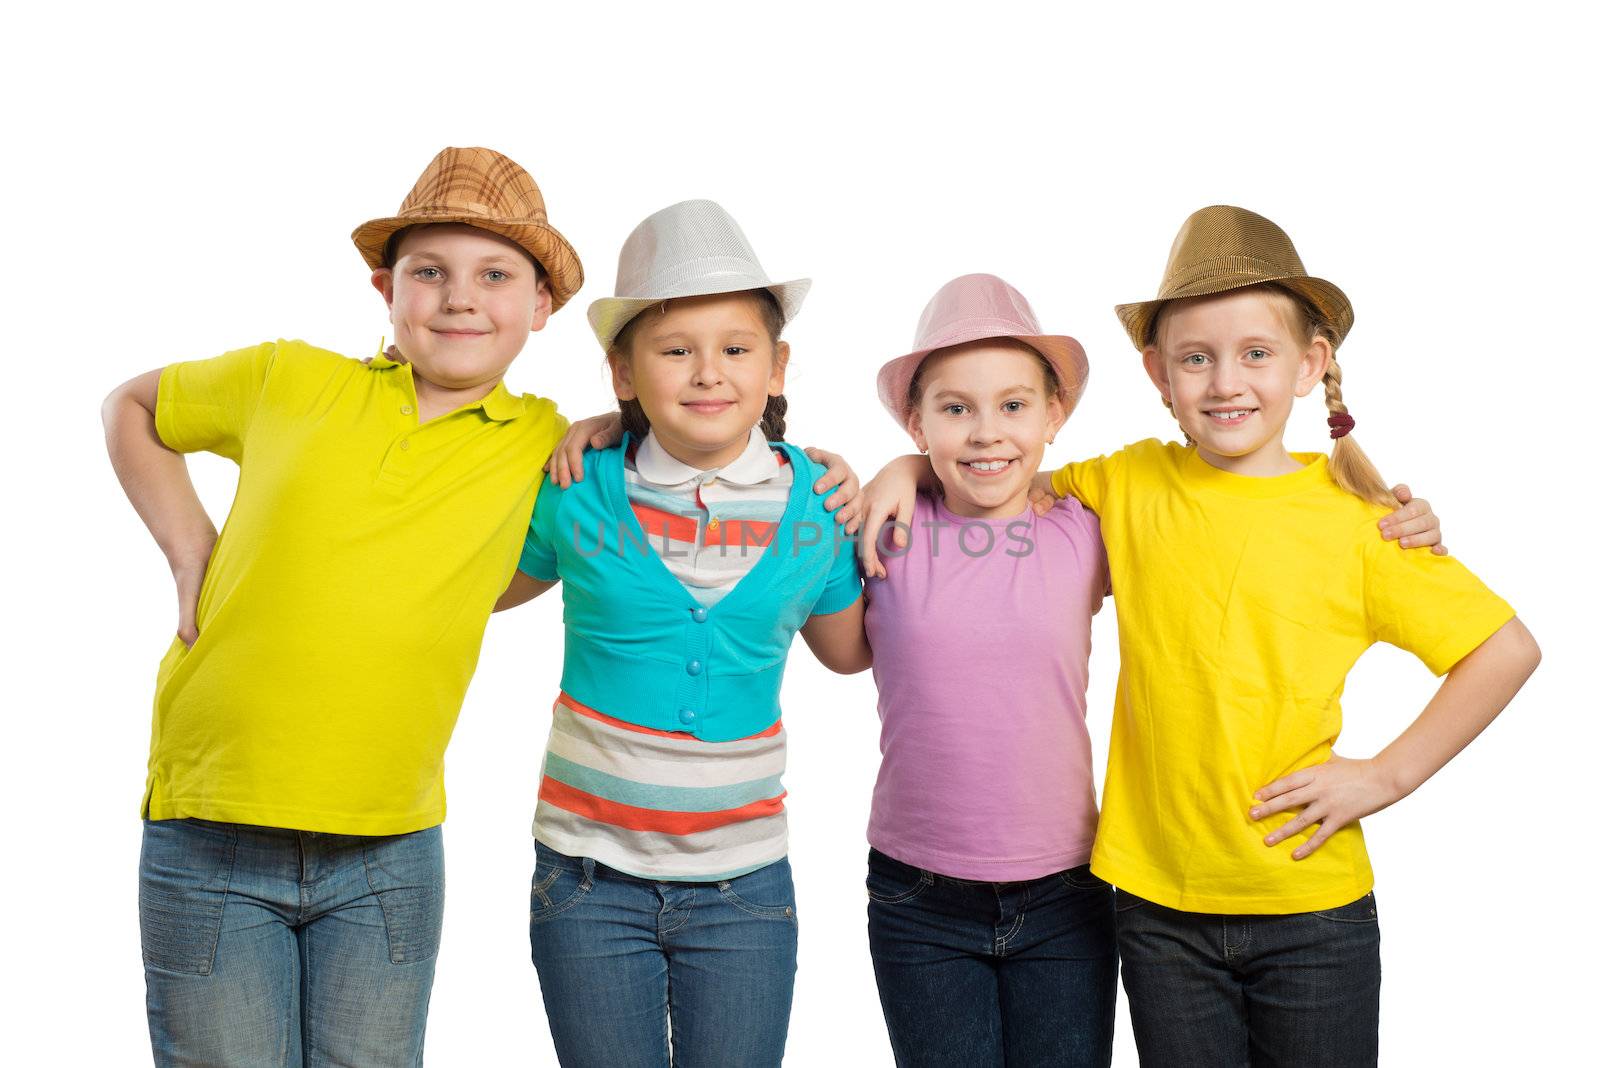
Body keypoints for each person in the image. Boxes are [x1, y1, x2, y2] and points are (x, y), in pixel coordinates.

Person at [863, 205, 1539, 1066]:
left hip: (1309, 906)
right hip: (1154, 909)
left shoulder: (1358, 523)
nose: (1226, 382)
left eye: (1257, 353)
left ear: (1310, 364)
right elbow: (997, 467)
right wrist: (905, 464)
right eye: (1196, 357)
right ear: (1158, 373)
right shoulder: (1128, 483)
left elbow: (1504, 648)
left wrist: (1385, 776)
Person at [103, 146, 584, 1064]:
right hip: (211, 827)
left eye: (496, 275)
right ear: (385, 288)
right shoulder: (290, 379)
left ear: (540, 307)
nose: (460, 297)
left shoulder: (546, 442)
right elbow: (132, 406)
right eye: (429, 272)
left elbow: (553, 552)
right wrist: (189, 547)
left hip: (387, 849)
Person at [495, 200, 870, 1067]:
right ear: (623, 375)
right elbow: (471, 590)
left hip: (743, 884)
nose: (708, 373)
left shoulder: (818, 507)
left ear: (778, 368)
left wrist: (901, 486)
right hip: (586, 879)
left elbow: (851, 654)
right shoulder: (576, 484)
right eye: (674, 351)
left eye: (737, 350)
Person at [860, 273, 1117, 1066]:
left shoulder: (1090, 531)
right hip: (917, 894)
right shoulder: (884, 528)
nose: (985, 433)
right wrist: (899, 470)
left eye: (1013, 406)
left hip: (1067, 889)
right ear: (917, 421)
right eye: (955, 408)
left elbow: (1212, 491)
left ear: (1053, 416)